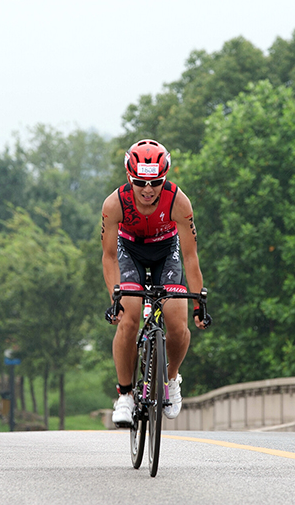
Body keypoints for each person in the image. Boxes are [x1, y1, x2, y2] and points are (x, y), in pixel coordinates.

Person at [101, 139, 208, 426]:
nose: (148, 190)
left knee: (177, 324)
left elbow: (190, 257)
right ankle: (124, 395)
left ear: (165, 178)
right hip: (129, 251)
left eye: (156, 182)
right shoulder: (114, 204)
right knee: (129, 318)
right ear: (129, 177)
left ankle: (171, 378)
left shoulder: (178, 202)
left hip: (166, 251)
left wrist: (198, 302)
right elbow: (109, 257)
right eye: (140, 182)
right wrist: (115, 297)